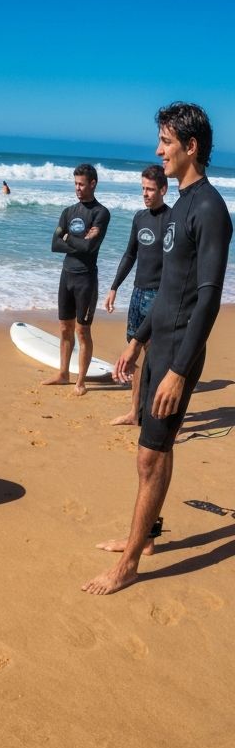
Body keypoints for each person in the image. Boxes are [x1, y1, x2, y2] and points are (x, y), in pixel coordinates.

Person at [84, 102, 231, 595]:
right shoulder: (179, 208)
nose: (158, 150)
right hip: (159, 344)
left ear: (191, 146)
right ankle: (143, 539)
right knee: (150, 452)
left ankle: (129, 563)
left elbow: (208, 297)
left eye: (166, 142)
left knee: (152, 454)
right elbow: (169, 289)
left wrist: (178, 371)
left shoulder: (209, 209)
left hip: (178, 354)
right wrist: (137, 341)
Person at [103, 165, 169, 426]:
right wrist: (114, 287)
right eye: (143, 188)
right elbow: (130, 254)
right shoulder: (140, 217)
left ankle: (158, 416)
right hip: (137, 293)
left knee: (156, 357)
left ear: (163, 189)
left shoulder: (172, 220)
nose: (145, 194)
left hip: (158, 295)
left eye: (150, 189)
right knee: (135, 352)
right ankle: (134, 412)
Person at [42, 163, 110, 396]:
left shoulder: (101, 213)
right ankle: (63, 374)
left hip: (86, 280)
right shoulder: (68, 212)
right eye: (75, 184)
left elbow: (90, 247)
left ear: (93, 184)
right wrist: (78, 241)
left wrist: (68, 237)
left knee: (82, 331)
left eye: (81, 184)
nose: (77, 188)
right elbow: (54, 244)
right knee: (64, 328)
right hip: (67, 276)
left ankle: (80, 381)